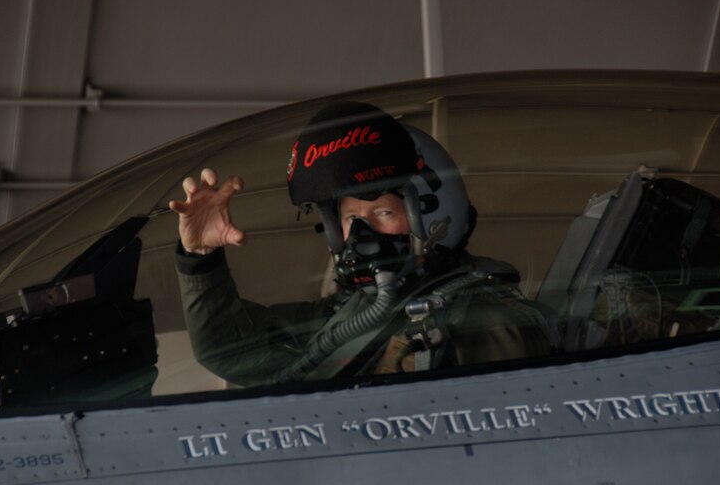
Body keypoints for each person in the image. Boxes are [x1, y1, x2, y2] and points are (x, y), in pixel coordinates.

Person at [171, 101, 552, 387]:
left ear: (434, 217)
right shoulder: (357, 310)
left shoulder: (484, 322)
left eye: (383, 213)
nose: (360, 235)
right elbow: (231, 352)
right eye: (352, 218)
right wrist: (200, 258)